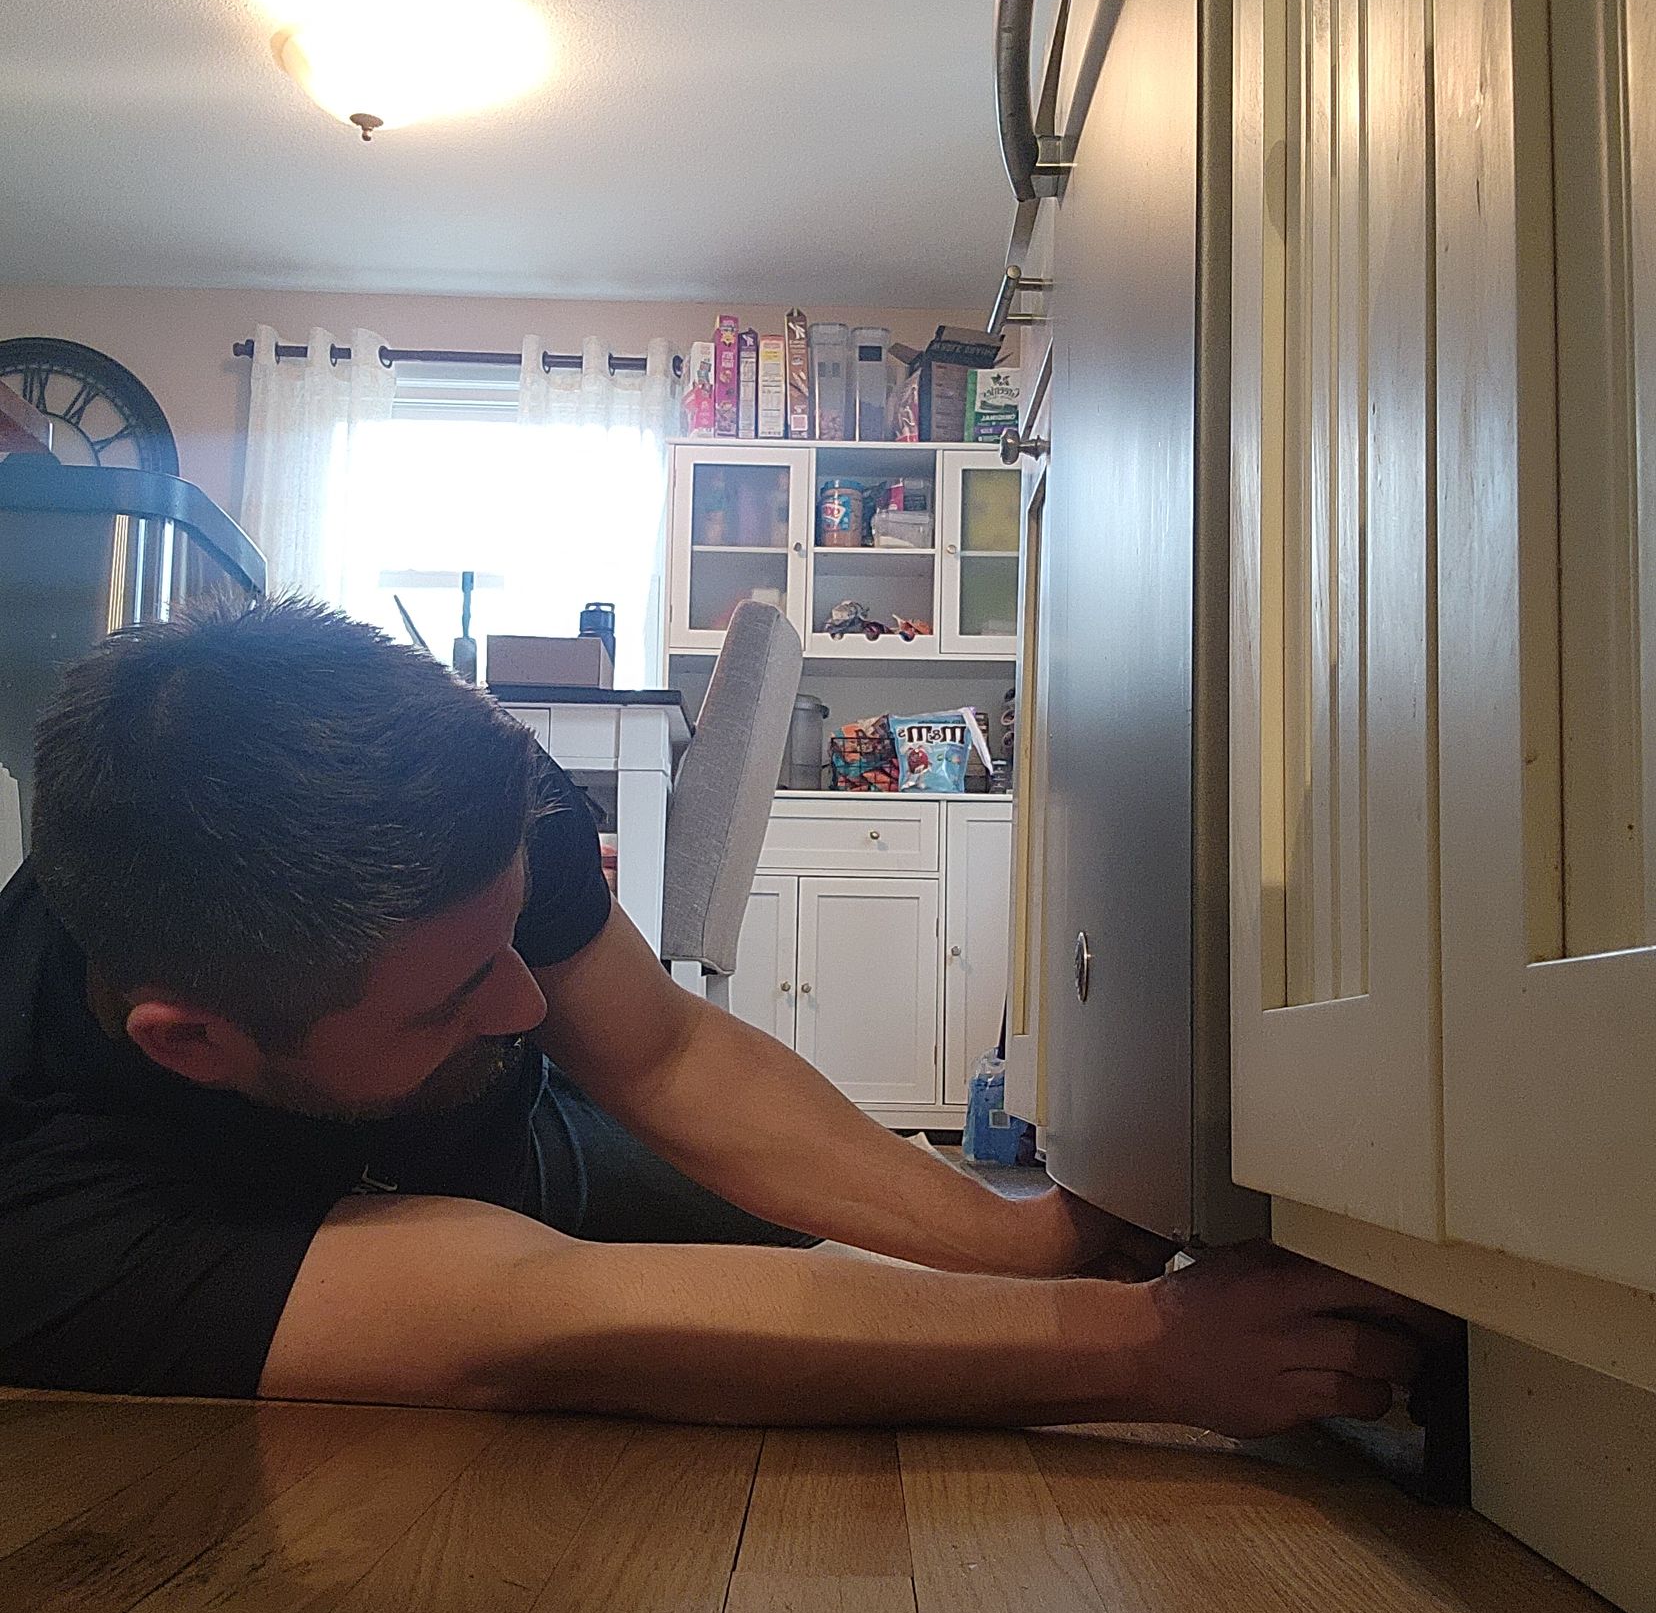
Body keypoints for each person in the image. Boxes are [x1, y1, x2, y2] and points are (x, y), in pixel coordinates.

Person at [0, 599, 1436, 1431]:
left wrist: (1025, 1243)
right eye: (454, 994)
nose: (524, 1003)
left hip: (510, 1156)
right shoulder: (52, 1212)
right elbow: (540, 1313)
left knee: (881, 1271)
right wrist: (1156, 1354)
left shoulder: (464, 816)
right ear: (191, 1040)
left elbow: (667, 1049)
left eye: (518, 939)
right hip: (342, 1239)